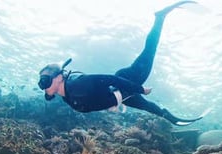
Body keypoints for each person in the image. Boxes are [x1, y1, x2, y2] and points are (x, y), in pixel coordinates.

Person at [38, 1, 203, 126]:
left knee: (149, 51)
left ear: (59, 77)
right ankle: (174, 120)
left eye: (45, 79)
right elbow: (95, 99)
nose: (42, 84)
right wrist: (112, 102)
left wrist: (140, 89)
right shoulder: (67, 95)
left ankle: (159, 17)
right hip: (121, 96)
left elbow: (110, 79)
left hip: (125, 81)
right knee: (148, 107)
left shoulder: (77, 84)